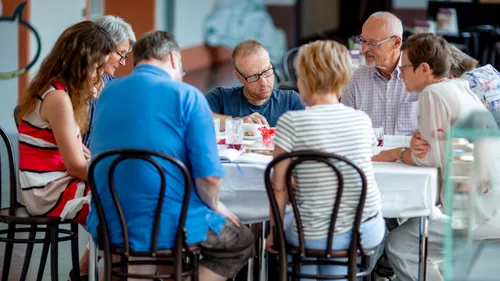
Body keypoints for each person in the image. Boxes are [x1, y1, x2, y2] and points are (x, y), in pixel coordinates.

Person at [88, 30, 254, 281]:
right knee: (240, 242)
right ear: (174, 59)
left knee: (144, 249)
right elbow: (209, 178)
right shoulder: (187, 96)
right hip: (168, 223)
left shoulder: (107, 95)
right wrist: (216, 206)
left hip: (110, 219)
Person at [372, 33, 490, 281]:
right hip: (487, 200)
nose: (400, 74)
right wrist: (418, 148)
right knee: (416, 233)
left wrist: (398, 153)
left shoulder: (433, 94)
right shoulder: (460, 89)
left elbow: (429, 159)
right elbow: (446, 151)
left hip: (476, 211)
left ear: (424, 68)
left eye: (403, 67)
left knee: (399, 245)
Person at [266, 40, 384, 277]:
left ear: (306, 79)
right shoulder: (361, 120)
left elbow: (278, 188)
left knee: (297, 229)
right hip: (365, 229)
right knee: (330, 240)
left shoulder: (291, 121)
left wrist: (273, 234)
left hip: (313, 234)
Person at [16, 21, 115, 280]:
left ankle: (87, 271)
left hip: (52, 183)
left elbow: (81, 155)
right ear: (80, 62)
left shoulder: (59, 91)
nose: (98, 76)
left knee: (122, 200)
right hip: (47, 190)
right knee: (123, 202)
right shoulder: (57, 98)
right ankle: (92, 271)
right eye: (97, 68)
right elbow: (76, 166)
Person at [341, 12, 418, 136]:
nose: (365, 49)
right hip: (369, 154)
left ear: (396, 43)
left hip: (408, 154)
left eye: (372, 43)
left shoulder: (420, 75)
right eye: (363, 41)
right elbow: (344, 127)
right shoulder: (356, 78)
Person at [205, 39, 305, 129]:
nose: (263, 82)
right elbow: (199, 119)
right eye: (253, 76)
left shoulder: (291, 101)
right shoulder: (220, 98)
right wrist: (239, 123)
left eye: (266, 71)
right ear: (239, 77)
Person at [82, 15, 136, 148]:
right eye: (120, 53)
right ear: (101, 47)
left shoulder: (112, 85)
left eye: (125, 56)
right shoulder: (71, 83)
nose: (123, 62)